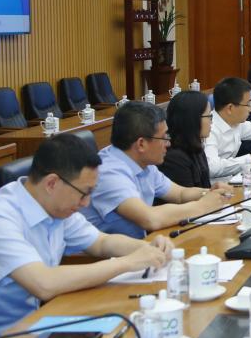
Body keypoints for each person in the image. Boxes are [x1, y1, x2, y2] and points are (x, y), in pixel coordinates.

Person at [0, 134, 172, 337]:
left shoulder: (55, 207)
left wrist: (147, 249)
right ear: (52, 183)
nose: (86, 203)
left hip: (33, 326)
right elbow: (44, 283)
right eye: (84, 193)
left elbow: (102, 242)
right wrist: (127, 263)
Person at [82, 102, 230, 238]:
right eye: (164, 137)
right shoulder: (109, 173)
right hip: (105, 255)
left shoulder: (143, 163)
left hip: (137, 246)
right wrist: (202, 206)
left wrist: (210, 193)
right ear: (141, 144)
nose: (168, 143)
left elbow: (180, 194)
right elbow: (149, 218)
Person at [159, 90, 215, 189]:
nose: (211, 121)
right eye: (209, 116)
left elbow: (205, 187)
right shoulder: (174, 158)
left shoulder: (195, 146)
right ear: (192, 119)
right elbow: (187, 195)